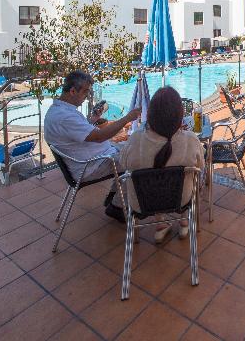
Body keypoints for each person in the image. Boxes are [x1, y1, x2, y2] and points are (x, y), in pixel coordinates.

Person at [109, 86, 204, 241]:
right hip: (181, 200)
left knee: (154, 180)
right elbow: (200, 167)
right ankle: (184, 220)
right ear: (180, 115)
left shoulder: (136, 140)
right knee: (190, 177)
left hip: (142, 203)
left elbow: (123, 163)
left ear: (150, 115)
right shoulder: (190, 140)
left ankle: (161, 223)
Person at [44, 70, 141, 187]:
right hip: (93, 166)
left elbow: (76, 132)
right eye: (85, 92)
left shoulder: (58, 110)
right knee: (144, 156)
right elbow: (100, 137)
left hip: (97, 157)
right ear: (73, 91)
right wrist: (127, 118)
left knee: (136, 147)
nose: (87, 96)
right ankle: (124, 196)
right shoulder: (65, 117)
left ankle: (118, 193)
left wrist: (93, 119)